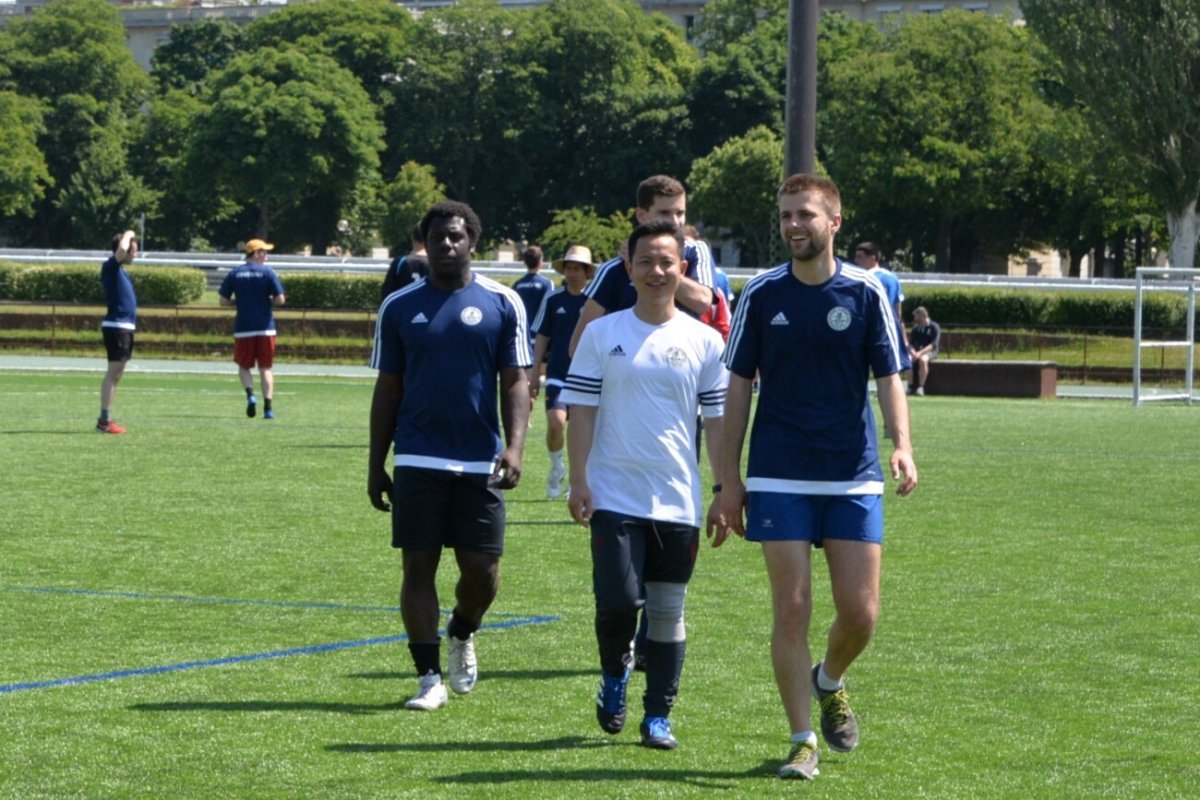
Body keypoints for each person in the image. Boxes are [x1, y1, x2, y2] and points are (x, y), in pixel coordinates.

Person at [714, 174, 918, 781]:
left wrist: (902, 445)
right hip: (779, 474)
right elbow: (738, 387)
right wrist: (729, 479)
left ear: (834, 222)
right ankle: (803, 739)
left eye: (805, 214)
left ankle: (829, 679)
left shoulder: (866, 292)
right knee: (793, 609)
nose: (793, 225)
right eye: (785, 216)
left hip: (852, 474)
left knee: (861, 614)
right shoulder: (761, 294)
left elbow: (889, 377)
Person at [561, 219, 729, 751]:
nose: (656, 271)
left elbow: (721, 422)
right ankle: (615, 675)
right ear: (626, 267)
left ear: (682, 269)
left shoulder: (704, 341)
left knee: (666, 611)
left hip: (677, 499)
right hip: (612, 495)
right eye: (645, 262)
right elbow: (581, 410)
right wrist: (579, 480)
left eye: (666, 262)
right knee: (616, 603)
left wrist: (727, 488)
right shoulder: (601, 333)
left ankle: (658, 715)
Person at [368, 200, 531, 712]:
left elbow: (517, 381)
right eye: (437, 237)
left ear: (472, 242)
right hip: (418, 458)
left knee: (483, 571)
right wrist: (377, 463)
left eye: (456, 236)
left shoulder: (504, 303)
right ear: (425, 242)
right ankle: (427, 677)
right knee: (418, 568)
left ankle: (462, 631)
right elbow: (387, 389)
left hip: (480, 460)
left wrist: (516, 445)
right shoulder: (398, 307)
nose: (446, 244)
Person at [568, 175, 717, 358]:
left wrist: (663, 271)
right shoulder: (613, 269)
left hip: (682, 367)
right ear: (641, 215)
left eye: (680, 213)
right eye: (664, 213)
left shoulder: (695, 251)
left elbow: (702, 302)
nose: (675, 221)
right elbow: (578, 347)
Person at [529, 244, 594, 499]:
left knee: (581, 431)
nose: (573, 272)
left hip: (586, 377)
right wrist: (534, 374)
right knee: (556, 424)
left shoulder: (595, 301)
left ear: (588, 272)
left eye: (578, 267)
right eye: (569, 267)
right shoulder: (553, 299)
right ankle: (556, 466)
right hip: (557, 373)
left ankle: (576, 481)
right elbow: (542, 337)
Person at [219, 239, 287, 419]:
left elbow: (223, 301)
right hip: (266, 328)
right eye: (264, 252)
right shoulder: (268, 272)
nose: (266, 256)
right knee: (265, 368)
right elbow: (280, 299)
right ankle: (268, 408)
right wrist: (266, 301)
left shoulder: (235, 273)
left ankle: (250, 395)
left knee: (244, 366)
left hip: (244, 328)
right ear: (256, 253)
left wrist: (238, 302)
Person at [97, 229, 138, 434]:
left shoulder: (120, 271)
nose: (135, 255)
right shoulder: (111, 266)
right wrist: (129, 233)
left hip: (124, 327)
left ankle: (106, 419)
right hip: (117, 326)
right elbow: (122, 249)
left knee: (117, 374)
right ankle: (104, 421)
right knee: (113, 374)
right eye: (134, 251)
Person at [512, 245, 555, 351]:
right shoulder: (547, 284)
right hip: (540, 337)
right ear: (541, 262)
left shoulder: (517, 284)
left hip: (520, 336)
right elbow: (550, 309)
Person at [380, 223, 430, 301]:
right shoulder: (435, 263)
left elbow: (387, 295)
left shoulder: (399, 262)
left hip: (402, 311)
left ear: (412, 238)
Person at [907, 306, 940, 395]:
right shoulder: (916, 328)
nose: (914, 318)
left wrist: (920, 353)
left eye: (916, 316)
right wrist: (913, 352)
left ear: (921, 316)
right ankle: (910, 386)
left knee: (923, 360)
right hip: (917, 352)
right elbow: (910, 344)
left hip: (930, 352)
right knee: (908, 360)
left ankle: (921, 387)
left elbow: (933, 345)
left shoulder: (934, 327)